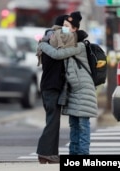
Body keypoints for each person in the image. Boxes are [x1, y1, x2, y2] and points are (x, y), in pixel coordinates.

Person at [37, 11, 98, 155]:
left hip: (83, 89)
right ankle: (73, 154)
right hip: (73, 89)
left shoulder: (78, 46)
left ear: (74, 29)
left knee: (83, 125)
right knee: (74, 125)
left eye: (66, 26)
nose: (63, 29)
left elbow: (57, 54)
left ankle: (83, 155)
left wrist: (42, 44)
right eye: (62, 25)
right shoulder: (68, 42)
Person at [36, 14, 83, 164]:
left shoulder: (50, 41)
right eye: (64, 27)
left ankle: (50, 154)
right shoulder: (53, 42)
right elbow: (59, 55)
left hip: (49, 86)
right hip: (51, 87)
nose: (66, 31)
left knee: (53, 120)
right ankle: (45, 153)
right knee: (53, 121)